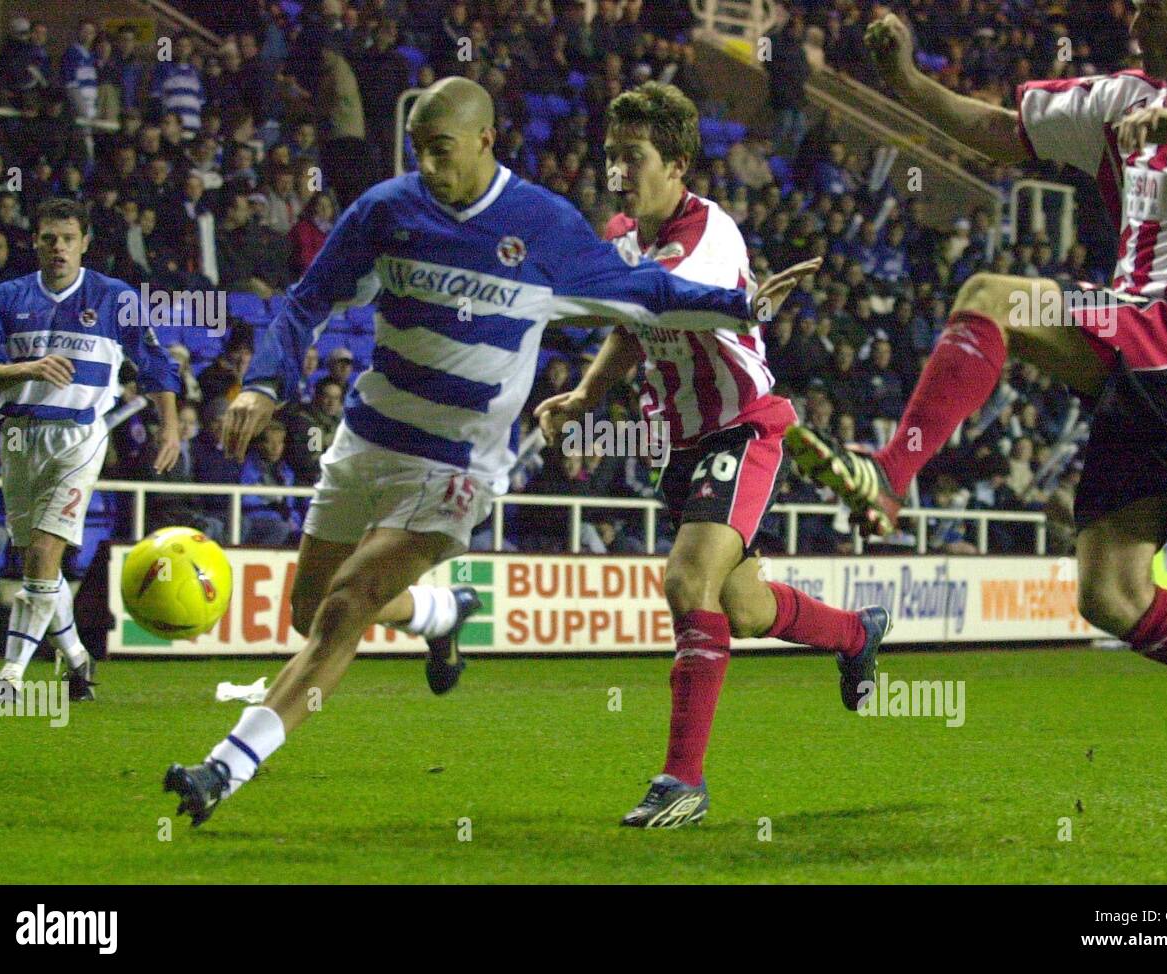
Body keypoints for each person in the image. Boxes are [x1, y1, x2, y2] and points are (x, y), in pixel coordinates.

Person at [162, 75, 817, 827]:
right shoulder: (386, 210)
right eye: (417, 152)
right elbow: (307, 298)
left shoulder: (544, 227)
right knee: (308, 607)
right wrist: (264, 384)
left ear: (484, 141)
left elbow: (643, 296)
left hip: (457, 468)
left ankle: (223, 769)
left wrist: (743, 303)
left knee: (346, 605)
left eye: (441, 151)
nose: (428, 167)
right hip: (368, 438)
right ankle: (442, 615)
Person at [788, 4, 1167, 720]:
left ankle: (890, 474)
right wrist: (908, 81)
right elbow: (1002, 134)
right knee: (1111, 597)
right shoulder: (1121, 98)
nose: (1134, 21)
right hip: (1133, 335)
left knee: (993, 296)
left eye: (1151, 9)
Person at [533, 82, 886, 828]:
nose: (618, 173)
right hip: (681, 446)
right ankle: (857, 634)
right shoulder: (629, 237)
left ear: (679, 165)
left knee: (687, 582)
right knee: (747, 610)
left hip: (743, 428)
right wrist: (587, 398)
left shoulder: (709, 235)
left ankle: (682, 782)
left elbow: (652, 298)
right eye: (610, 158)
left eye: (632, 158)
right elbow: (631, 327)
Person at [0, 197, 181, 703]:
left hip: (80, 437)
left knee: (43, 552)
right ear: (36, 243)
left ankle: (10, 678)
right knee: (39, 565)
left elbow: (155, 363)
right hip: (19, 438)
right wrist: (27, 369)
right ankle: (78, 662)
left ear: (85, 243)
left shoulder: (113, 297)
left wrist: (170, 426)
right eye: (48, 238)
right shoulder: (7, 297)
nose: (57, 247)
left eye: (67, 238)